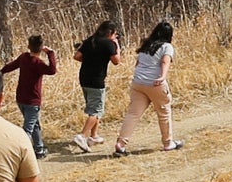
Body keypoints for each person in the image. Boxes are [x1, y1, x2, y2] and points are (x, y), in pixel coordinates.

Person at [115, 20, 180, 151]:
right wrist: (162, 77)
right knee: (164, 112)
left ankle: (121, 143)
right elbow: (165, 62)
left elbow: (137, 64)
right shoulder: (167, 46)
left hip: (138, 83)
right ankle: (168, 143)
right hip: (155, 83)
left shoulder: (145, 45)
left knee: (133, 114)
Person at [71, 21, 119, 154]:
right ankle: (82, 136)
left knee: (93, 108)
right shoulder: (109, 43)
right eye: (115, 34)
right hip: (97, 80)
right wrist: (116, 45)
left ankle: (94, 136)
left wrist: (90, 60)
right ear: (110, 33)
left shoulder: (90, 40)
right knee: (97, 111)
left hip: (84, 78)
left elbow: (77, 56)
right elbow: (116, 61)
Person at [7, 34, 59, 155]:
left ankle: (39, 148)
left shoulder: (24, 57)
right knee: (28, 129)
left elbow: (12, 65)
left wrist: (0, 72)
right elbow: (52, 70)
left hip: (21, 98)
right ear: (41, 47)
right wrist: (50, 53)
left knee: (34, 124)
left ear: (28, 46)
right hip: (33, 100)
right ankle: (19, 154)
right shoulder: (38, 63)